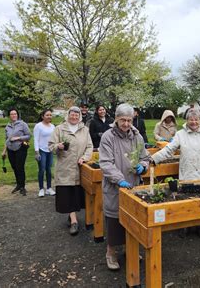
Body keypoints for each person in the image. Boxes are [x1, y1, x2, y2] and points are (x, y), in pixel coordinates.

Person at [152, 108, 200, 239]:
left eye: (196, 119)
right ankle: (185, 226)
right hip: (187, 171)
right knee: (186, 199)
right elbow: (168, 150)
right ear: (186, 120)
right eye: (191, 119)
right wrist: (153, 158)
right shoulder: (180, 134)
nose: (193, 122)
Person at [99, 103, 149, 270]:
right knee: (114, 220)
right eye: (123, 120)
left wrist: (143, 165)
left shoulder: (137, 137)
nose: (126, 124)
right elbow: (105, 163)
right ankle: (111, 253)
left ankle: (130, 249)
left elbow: (145, 157)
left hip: (134, 185)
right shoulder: (108, 137)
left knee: (133, 220)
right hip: (116, 186)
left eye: (129, 120)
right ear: (116, 119)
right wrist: (119, 179)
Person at [49, 106, 93, 236]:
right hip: (65, 168)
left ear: (79, 116)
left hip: (80, 168)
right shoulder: (59, 129)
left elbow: (89, 146)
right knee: (68, 194)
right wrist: (59, 146)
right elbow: (51, 146)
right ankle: (74, 222)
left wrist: (84, 157)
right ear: (68, 116)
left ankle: (71, 215)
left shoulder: (84, 130)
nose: (74, 117)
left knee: (77, 194)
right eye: (72, 115)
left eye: (76, 115)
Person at [2, 108, 31, 196]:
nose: (13, 115)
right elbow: (6, 139)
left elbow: (29, 136)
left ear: (17, 115)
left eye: (15, 114)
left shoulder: (23, 124)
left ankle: (22, 187)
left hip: (20, 148)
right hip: (11, 149)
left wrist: (18, 138)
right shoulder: (7, 126)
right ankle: (18, 184)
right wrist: (4, 151)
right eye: (11, 114)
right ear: (9, 116)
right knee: (14, 167)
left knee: (20, 167)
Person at [34, 109, 56, 197]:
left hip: (50, 150)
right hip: (41, 150)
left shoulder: (53, 126)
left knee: (49, 170)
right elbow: (36, 139)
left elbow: (54, 138)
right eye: (47, 115)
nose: (49, 117)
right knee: (42, 170)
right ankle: (41, 189)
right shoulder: (38, 126)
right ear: (42, 116)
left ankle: (49, 188)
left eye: (50, 115)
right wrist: (37, 152)